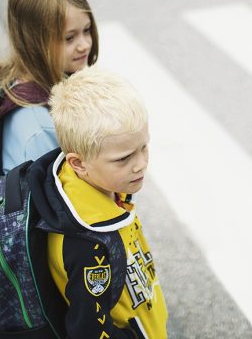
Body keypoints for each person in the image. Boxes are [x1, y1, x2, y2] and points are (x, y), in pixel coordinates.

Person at [27, 66, 168, 339]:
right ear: (78, 163)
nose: (141, 164)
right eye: (123, 158)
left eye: (144, 147)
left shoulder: (104, 186)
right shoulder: (86, 246)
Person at [0, 0, 99, 173]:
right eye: (69, 38)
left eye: (87, 30)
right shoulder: (40, 128)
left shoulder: (17, 77)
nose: (84, 45)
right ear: (35, 42)